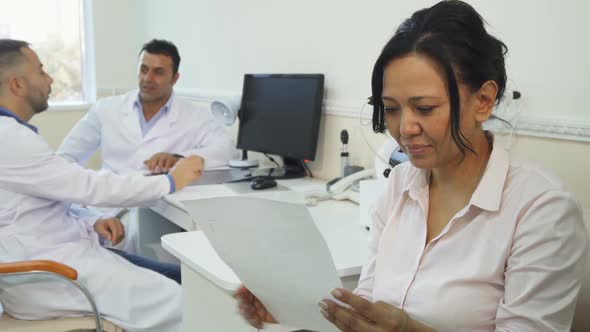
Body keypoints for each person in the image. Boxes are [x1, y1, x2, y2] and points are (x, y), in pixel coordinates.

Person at [234, 1, 588, 331]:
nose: (404, 128)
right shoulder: (401, 183)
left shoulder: (542, 209)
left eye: (425, 108)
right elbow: (369, 302)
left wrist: (409, 329)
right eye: (391, 108)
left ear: (483, 100)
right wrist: (287, 305)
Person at [0, 39, 204, 331]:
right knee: (187, 303)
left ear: (175, 78)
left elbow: (39, 201)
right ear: (17, 84)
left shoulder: (13, 135)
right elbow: (86, 184)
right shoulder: (10, 140)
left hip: (60, 254)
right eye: (41, 70)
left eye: (158, 72)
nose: (50, 78)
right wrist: (171, 181)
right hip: (51, 275)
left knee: (181, 277)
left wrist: (90, 221)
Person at [57, 39, 236, 254]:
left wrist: (179, 158)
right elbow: (64, 160)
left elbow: (225, 148)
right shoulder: (106, 109)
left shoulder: (194, 116)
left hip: (154, 212)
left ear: (175, 78)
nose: (147, 79)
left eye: (158, 72)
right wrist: (88, 214)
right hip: (104, 210)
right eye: (143, 69)